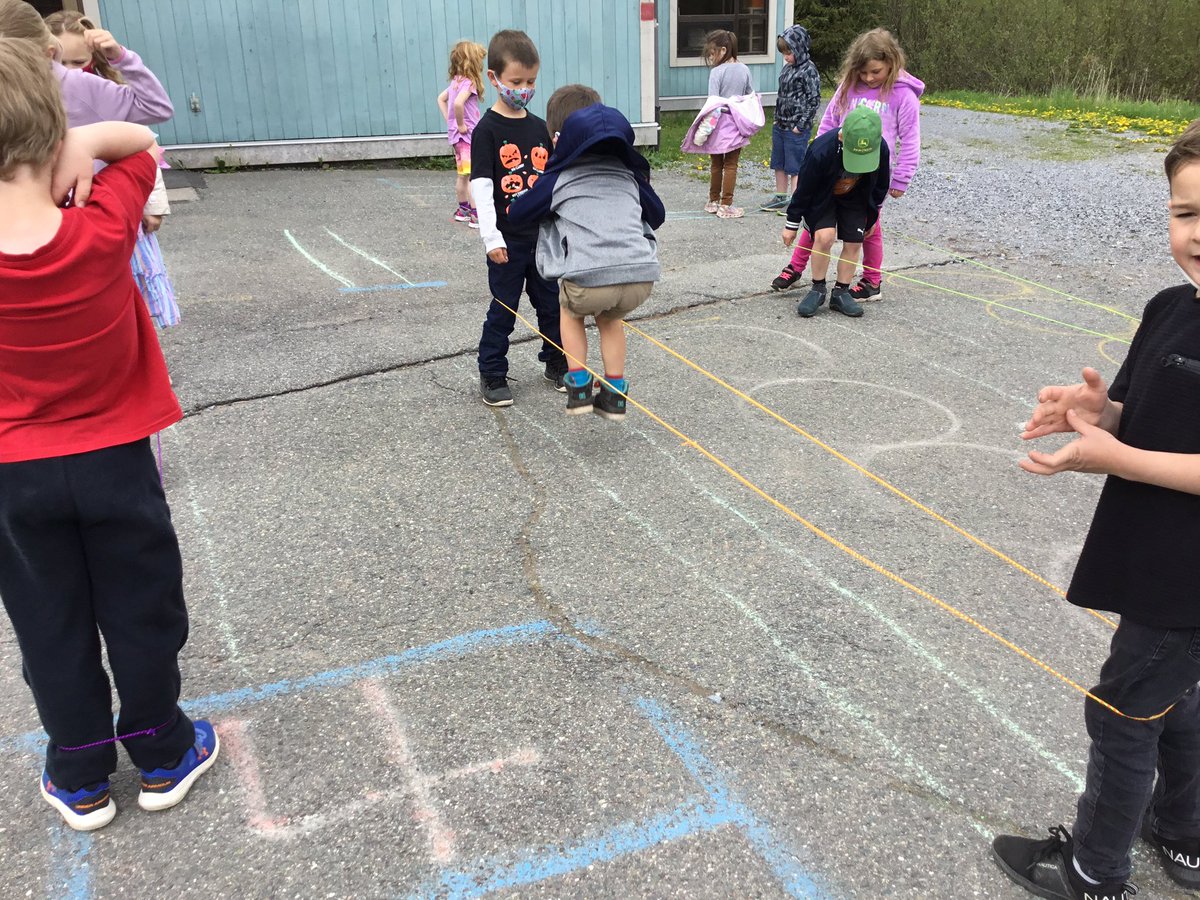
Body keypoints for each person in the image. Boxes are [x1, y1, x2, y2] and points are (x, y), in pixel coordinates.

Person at [0, 39, 217, 832]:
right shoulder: (100, 223)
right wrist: (82, 142)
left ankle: (79, 767)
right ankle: (161, 748)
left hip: (13, 471)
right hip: (115, 457)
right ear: (49, 128)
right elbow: (143, 143)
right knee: (141, 603)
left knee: (46, 617)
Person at [991, 119, 1200, 900]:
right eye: (1186, 213)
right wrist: (1099, 412)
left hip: (1188, 583)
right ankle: (1185, 834)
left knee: (1122, 713)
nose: (1199, 233)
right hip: (1153, 561)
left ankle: (1094, 873)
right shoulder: (1170, 306)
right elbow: (1136, 413)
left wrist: (1120, 458)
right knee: (1173, 700)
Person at [509, 85, 665, 420]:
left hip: (589, 280)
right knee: (610, 319)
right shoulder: (628, 174)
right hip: (640, 279)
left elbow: (520, 215)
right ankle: (614, 391)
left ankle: (579, 385)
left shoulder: (561, 178)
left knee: (569, 310)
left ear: (557, 139)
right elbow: (658, 215)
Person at [46, 8, 179, 327]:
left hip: (112, 208)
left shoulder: (96, 91)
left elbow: (149, 141)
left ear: (92, 59)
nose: (69, 72)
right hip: (63, 215)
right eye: (60, 64)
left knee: (135, 296)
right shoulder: (36, 94)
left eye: (78, 63)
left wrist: (120, 56)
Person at [771, 28, 922, 302]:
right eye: (863, 72)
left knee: (869, 227)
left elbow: (911, 139)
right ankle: (796, 266)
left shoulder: (903, 96)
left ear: (892, 63)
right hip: (836, 167)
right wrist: (817, 158)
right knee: (817, 222)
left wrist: (901, 178)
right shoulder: (849, 86)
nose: (868, 77)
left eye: (875, 71)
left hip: (870, 172)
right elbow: (829, 123)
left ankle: (871, 281)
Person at [470, 29, 567, 407]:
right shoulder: (487, 130)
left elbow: (553, 181)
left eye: (531, 81)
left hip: (541, 238)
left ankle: (556, 363)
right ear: (494, 78)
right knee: (505, 310)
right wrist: (491, 238)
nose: (524, 88)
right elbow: (481, 187)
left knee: (550, 305)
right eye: (516, 81)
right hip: (507, 241)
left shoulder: (539, 126)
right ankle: (492, 372)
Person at [781, 105, 889, 319]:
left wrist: (872, 217)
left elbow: (880, 186)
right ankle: (818, 288)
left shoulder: (881, 148)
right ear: (841, 136)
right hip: (823, 197)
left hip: (855, 198)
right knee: (824, 236)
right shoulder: (821, 149)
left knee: (854, 242)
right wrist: (791, 224)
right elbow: (804, 189)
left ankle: (841, 292)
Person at [759, 25, 820, 213]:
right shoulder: (787, 69)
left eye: (789, 52)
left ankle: (796, 201)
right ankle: (780, 198)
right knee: (779, 162)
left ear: (800, 48)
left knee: (795, 166)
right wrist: (777, 119)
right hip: (781, 124)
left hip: (796, 127)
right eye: (784, 53)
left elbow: (814, 100)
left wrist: (800, 125)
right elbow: (781, 95)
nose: (786, 57)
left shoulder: (809, 70)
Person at [696, 29, 755, 219]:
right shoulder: (744, 69)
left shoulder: (716, 73)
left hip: (716, 123)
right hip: (736, 124)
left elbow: (712, 101)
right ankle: (726, 204)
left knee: (716, 164)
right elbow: (749, 96)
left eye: (713, 53)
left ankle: (713, 201)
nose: (711, 57)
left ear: (723, 50)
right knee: (731, 164)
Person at [437, 40, 485, 228]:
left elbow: (441, 100)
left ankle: (463, 210)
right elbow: (457, 104)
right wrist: (460, 124)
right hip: (467, 136)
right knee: (473, 174)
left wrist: (451, 123)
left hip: (458, 138)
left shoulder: (455, 82)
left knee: (462, 174)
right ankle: (476, 215)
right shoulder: (468, 83)